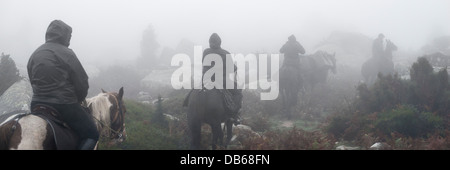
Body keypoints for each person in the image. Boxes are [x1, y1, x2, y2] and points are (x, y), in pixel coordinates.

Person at [27, 20, 99, 150]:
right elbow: (82, 83)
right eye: (69, 36)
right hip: (64, 104)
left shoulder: (35, 53)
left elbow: (32, 80)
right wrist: (78, 99)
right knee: (92, 135)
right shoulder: (67, 53)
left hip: (37, 103)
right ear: (64, 36)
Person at [202, 33, 242, 125]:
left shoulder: (205, 52)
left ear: (209, 42)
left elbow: (203, 63)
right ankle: (234, 115)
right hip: (222, 80)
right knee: (238, 92)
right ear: (220, 42)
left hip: (206, 80)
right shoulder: (225, 53)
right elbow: (232, 68)